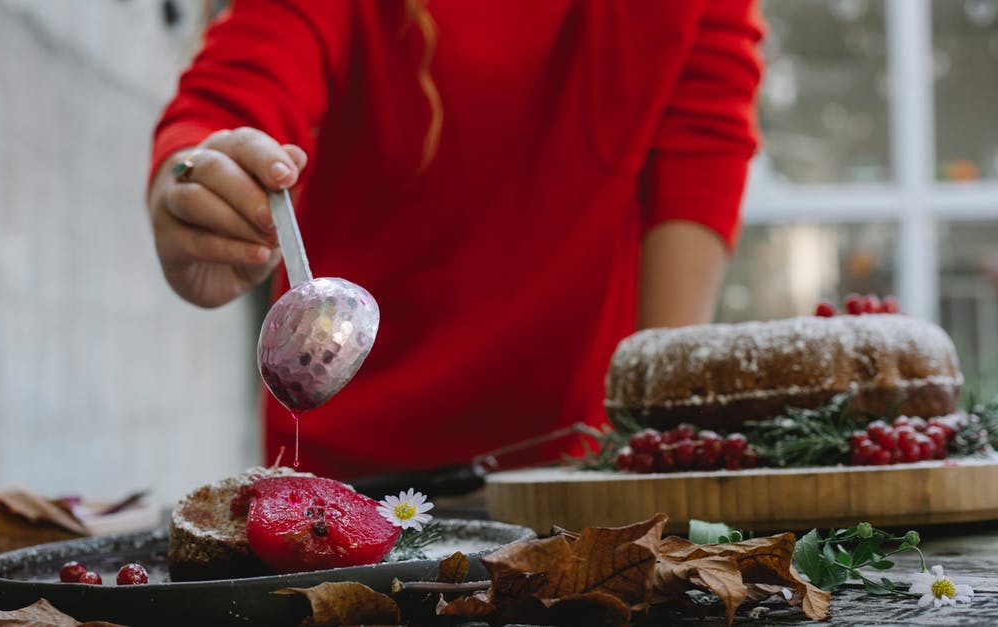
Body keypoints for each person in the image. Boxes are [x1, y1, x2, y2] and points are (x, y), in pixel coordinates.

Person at [147, 0, 763, 481]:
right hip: (348, 466)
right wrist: (195, 185)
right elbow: (242, 82)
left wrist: (655, 434)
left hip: (574, 464)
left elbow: (700, 149)